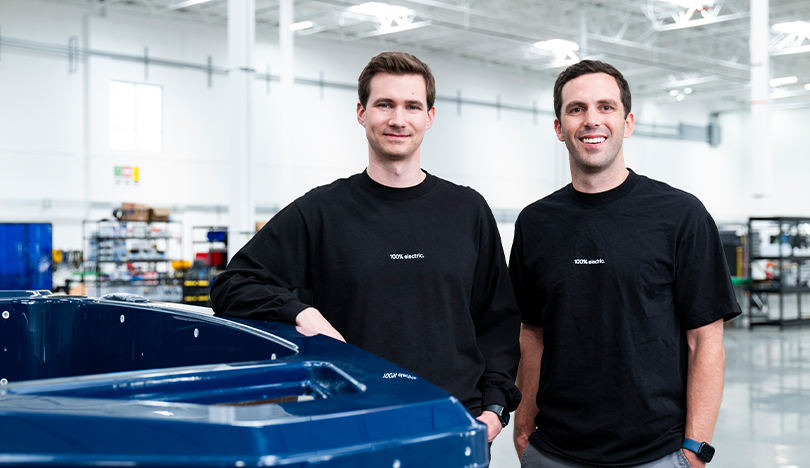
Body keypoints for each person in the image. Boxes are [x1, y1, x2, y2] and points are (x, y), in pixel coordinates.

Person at [211, 51, 521, 443]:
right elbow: (233, 284)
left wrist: (494, 408)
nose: (398, 119)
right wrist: (299, 312)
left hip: (452, 423)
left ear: (430, 116)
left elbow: (498, 322)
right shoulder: (322, 210)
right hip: (351, 426)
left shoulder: (467, 209)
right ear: (361, 112)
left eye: (412, 106)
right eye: (384, 104)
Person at [509, 60, 740, 468]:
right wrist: (524, 429)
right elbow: (532, 333)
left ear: (627, 122)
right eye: (576, 109)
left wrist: (695, 450)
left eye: (606, 107)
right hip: (553, 453)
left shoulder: (680, 215)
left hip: (657, 454)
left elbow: (705, 340)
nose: (591, 120)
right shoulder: (535, 222)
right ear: (560, 128)